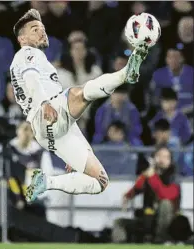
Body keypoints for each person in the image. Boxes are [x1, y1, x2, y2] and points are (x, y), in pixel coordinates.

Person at [10, 9, 148, 202]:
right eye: (35, 30)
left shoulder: (39, 59)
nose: (42, 33)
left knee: (100, 181)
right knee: (79, 93)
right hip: (47, 114)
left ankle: (47, 182)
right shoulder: (27, 53)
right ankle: (125, 74)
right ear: (22, 39)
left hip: (54, 128)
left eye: (42, 29)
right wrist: (44, 103)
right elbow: (31, 79)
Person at [123, 146, 181, 243]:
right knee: (119, 223)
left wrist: (153, 177)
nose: (162, 160)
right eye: (159, 156)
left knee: (165, 204)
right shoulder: (150, 174)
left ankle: (160, 240)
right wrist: (126, 196)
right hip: (149, 218)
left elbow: (165, 195)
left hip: (170, 224)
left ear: (170, 161)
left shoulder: (174, 178)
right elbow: (136, 189)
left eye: (166, 157)